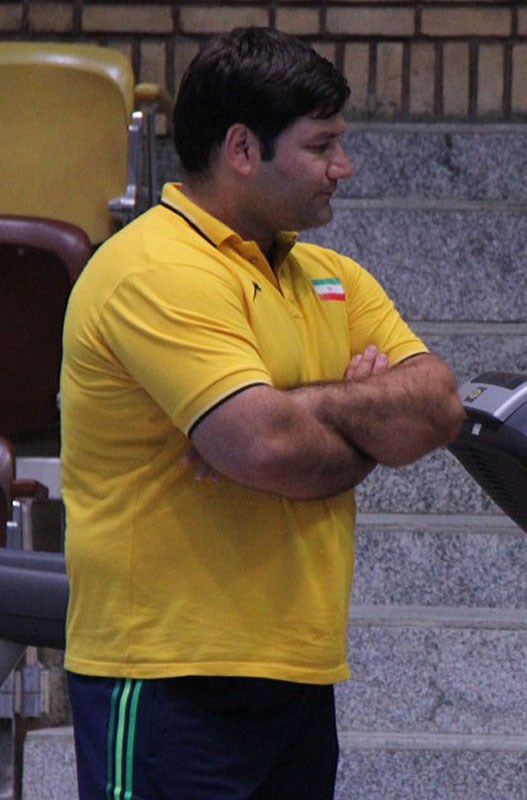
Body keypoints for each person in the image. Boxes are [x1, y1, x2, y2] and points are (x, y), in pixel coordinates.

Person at [59, 27, 464, 800]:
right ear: (243, 149)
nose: (343, 167)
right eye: (322, 146)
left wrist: (303, 410)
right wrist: (363, 426)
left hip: (298, 678)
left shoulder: (330, 275)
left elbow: (441, 404)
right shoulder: (154, 269)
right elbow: (268, 449)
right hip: (167, 678)